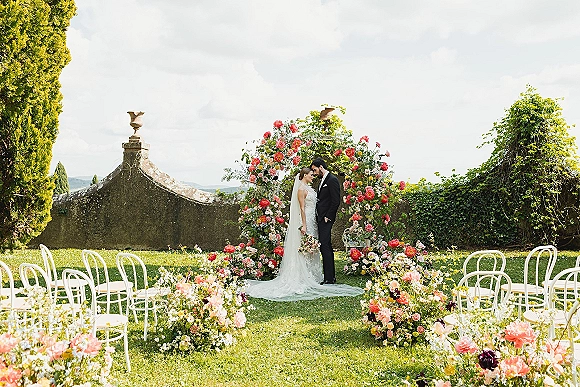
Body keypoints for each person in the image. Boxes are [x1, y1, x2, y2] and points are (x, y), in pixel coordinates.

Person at [245, 167, 363, 301]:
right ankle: (304, 276)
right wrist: (304, 225)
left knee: (312, 247)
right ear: (304, 175)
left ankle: (314, 275)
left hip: (314, 220)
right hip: (306, 219)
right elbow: (301, 207)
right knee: (305, 248)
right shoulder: (301, 189)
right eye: (311, 175)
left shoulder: (309, 188)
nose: (313, 176)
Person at [310, 158, 340, 284]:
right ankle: (329, 276)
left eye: (315, 169)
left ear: (321, 167)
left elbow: (336, 200)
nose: (314, 172)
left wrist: (328, 216)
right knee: (324, 245)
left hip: (326, 219)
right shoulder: (322, 180)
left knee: (325, 245)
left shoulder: (332, 180)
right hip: (320, 218)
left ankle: (329, 278)